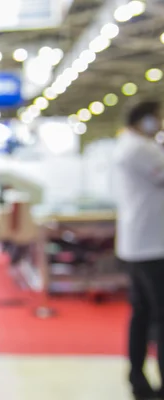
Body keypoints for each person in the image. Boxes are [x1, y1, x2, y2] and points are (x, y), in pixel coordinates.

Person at [113, 100, 164, 400]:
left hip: (140, 243)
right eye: (157, 118)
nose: (159, 123)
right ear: (144, 119)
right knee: (158, 317)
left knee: (142, 315)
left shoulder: (130, 145)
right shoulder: (140, 149)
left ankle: (137, 379)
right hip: (152, 246)